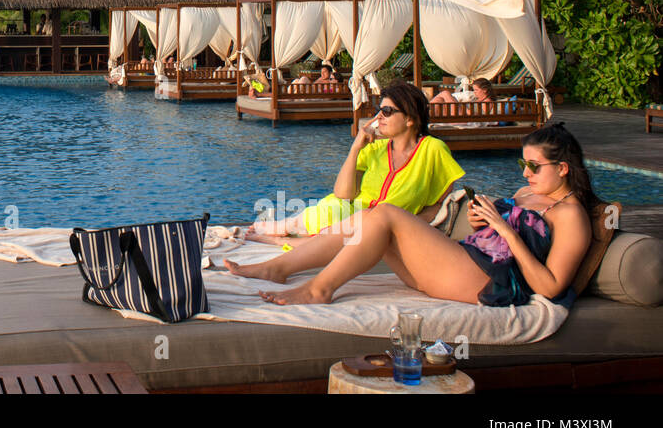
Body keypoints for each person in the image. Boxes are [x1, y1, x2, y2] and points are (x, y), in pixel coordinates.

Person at [235, 122, 595, 307]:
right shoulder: (527, 194)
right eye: (523, 164)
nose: (525, 174)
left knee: (386, 215)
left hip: (489, 282)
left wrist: (507, 230)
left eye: (534, 166)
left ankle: (317, 289)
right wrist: (480, 221)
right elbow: (490, 235)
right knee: (371, 218)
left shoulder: (571, 216)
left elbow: (549, 287)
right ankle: (279, 269)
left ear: (563, 168)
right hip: (461, 265)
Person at [243, 81, 463, 244]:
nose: (379, 118)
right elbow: (343, 193)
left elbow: (441, 204)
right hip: (350, 212)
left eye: (387, 111)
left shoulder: (433, 150)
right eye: (380, 110)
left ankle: (282, 235)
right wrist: (355, 148)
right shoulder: (374, 148)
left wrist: (412, 226)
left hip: (382, 225)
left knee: (338, 224)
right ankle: (285, 232)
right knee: (333, 210)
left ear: (410, 118)